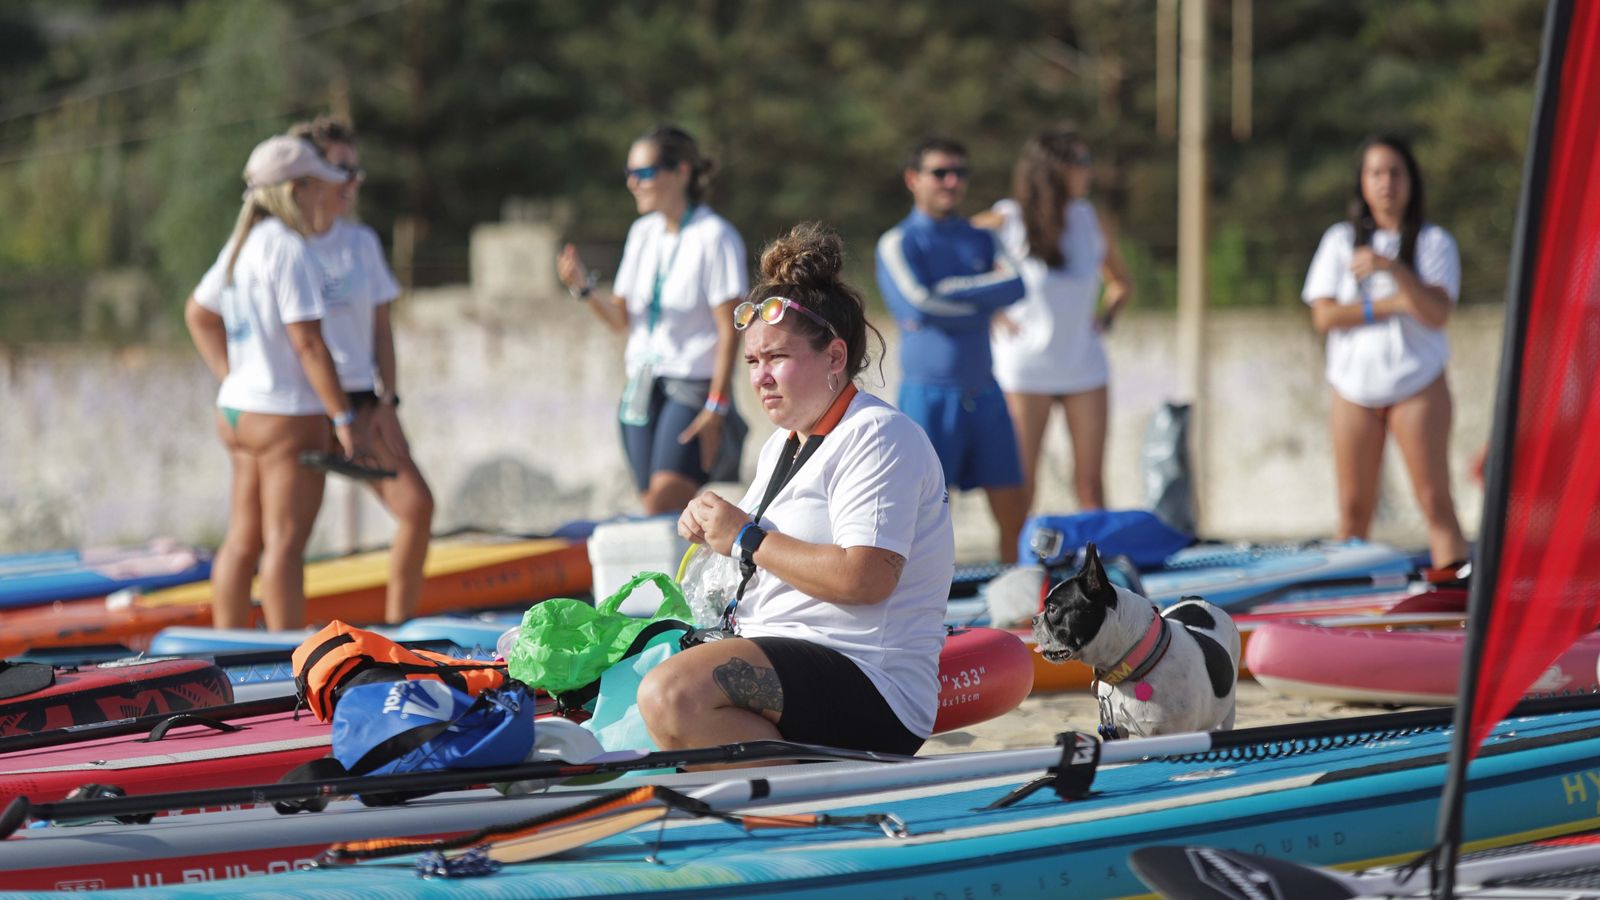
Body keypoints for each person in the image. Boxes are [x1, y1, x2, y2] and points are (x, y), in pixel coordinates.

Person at [640, 223, 954, 756]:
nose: (760, 377)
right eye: (753, 362)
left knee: (672, 694)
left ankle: (815, 795)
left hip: (871, 681)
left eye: (777, 359)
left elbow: (867, 577)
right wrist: (717, 527)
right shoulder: (783, 442)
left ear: (834, 357)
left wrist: (744, 536)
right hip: (792, 657)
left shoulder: (878, 435)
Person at [184, 135, 362, 630]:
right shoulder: (289, 249)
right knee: (285, 543)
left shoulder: (241, 245)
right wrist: (344, 418)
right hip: (285, 416)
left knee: (242, 540)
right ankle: (289, 665)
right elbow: (308, 344)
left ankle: (224, 654)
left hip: (237, 412)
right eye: (317, 186)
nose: (324, 196)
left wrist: (231, 376)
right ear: (297, 188)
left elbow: (198, 313)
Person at [288, 115, 435, 624]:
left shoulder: (361, 243)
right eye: (340, 169)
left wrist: (388, 402)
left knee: (417, 507)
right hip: (303, 404)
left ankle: (400, 634)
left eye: (357, 170)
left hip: (360, 402)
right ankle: (256, 649)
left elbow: (381, 331)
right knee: (282, 535)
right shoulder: (281, 242)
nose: (352, 181)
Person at [557, 126, 748, 515]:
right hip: (641, 389)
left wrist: (716, 405)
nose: (632, 183)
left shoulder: (715, 236)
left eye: (643, 173)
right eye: (628, 173)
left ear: (680, 172)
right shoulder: (642, 233)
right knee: (655, 512)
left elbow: (731, 330)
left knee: (665, 504)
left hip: (690, 387)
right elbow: (620, 319)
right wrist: (582, 289)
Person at [1303, 134, 1470, 570]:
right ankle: (1346, 607)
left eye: (1396, 173)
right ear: (1361, 182)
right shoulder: (1340, 241)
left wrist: (1392, 268)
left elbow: (1435, 312)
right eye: (1376, 173)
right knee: (1354, 509)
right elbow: (1324, 316)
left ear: (1411, 181)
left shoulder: (1434, 243)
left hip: (1416, 386)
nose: (1386, 183)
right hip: (1353, 389)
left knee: (1434, 500)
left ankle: (1455, 597)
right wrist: (1392, 305)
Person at [876, 136, 1028, 563]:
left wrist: (950, 296)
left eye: (959, 172)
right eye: (940, 172)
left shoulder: (982, 237)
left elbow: (1017, 285)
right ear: (913, 179)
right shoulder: (898, 242)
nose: (951, 181)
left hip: (985, 392)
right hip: (928, 397)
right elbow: (917, 304)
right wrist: (982, 306)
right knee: (923, 519)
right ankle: (927, 613)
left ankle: (1017, 611)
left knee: (1014, 511)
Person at [979, 127, 1133, 515]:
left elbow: (1121, 283)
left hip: (1084, 363)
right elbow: (951, 249)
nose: (1089, 171)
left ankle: (1098, 572)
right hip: (1025, 368)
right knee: (1023, 485)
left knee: (1091, 486)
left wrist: (1105, 319)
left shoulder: (1090, 219)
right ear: (1053, 169)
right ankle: (1019, 571)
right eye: (1081, 163)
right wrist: (989, 310)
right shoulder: (1006, 219)